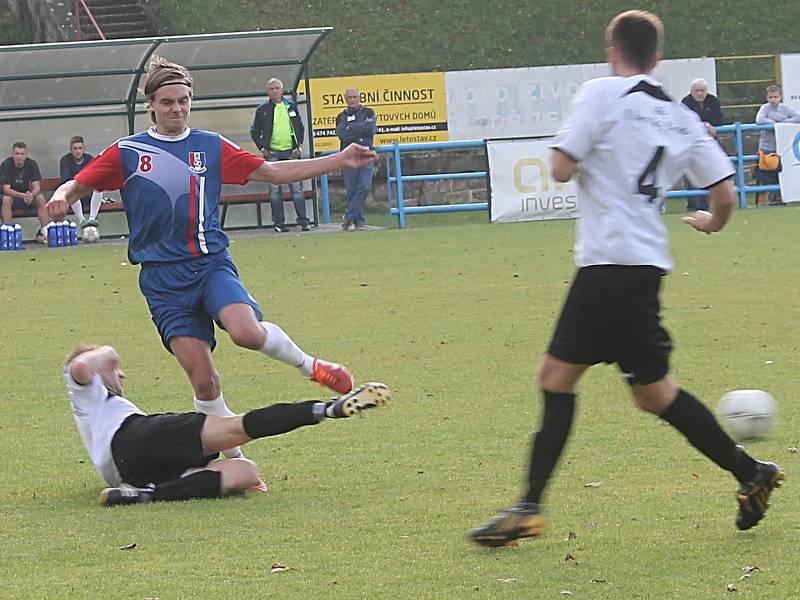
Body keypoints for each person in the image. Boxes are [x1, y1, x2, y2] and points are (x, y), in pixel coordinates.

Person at [469, 10, 784, 548]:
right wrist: (712, 222)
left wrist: (583, 161)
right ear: (657, 59)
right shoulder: (681, 117)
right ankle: (750, 472)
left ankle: (528, 508)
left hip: (607, 267)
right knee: (652, 393)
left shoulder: (601, 94)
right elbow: (725, 194)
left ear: (613, 51)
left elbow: (561, 168)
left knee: (558, 379)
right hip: (643, 269)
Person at [47, 56, 377, 472]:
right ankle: (236, 459)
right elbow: (81, 182)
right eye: (167, 102)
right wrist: (62, 195)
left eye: (184, 101)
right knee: (203, 380)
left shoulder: (210, 145)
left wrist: (338, 159)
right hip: (162, 282)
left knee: (246, 332)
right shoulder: (129, 152)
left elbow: (273, 172)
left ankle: (312, 367)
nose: (177, 109)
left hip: (209, 265)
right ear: (150, 105)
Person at [64, 343, 390, 506]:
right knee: (237, 427)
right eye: (115, 371)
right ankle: (327, 410)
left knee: (244, 472)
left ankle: (145, 496)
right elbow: (80, 365)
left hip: (132, 472)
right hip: (136, 437)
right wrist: (109, 354)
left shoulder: (101, 408)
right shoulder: (87, 392)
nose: (121, 374)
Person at [250, 78, 310, 232]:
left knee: (297, 188)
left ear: (282, 90)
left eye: (277, 88)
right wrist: (263, 147)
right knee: (275, 190)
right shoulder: (262, 109)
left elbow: (300, 127)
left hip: (291, 152)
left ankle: (303, 221)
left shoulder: (290, 106)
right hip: (273, 154)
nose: (274, 91)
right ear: (267, 92)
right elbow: (255, 131)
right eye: (271, 89)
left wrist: (299, 146)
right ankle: (279, 223)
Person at [681, 78, 727, 210]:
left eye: (702, 90)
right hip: (691, 144)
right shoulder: (686, 102)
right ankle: (693, 205)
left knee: (712, 173)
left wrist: (709, 124)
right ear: (691, 91)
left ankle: (708, 205)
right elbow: (685, 122)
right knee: (691, 174)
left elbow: (719, 119)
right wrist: (704, 125)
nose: (699, 93)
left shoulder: (713, 101)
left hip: (710, 143)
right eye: (696, 91)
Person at [336, 87, 378, 231]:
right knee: (351, 190)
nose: (352, 100)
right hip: (349, 156)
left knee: (364, 187)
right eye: (350, 97)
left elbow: (370, 129)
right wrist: (359, 129)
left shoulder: (369, 112)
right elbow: (342, 134)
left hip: (366, 154)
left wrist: (351, 128)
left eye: (355, 97)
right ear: (345, 99)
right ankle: (359, 221)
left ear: (360, 97)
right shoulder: (340, 116)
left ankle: (348, 217)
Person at [754, 84, 800, 206]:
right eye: (770, 97)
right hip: (767, 147)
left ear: (780, 97)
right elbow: (759, 119)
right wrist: (774, 123)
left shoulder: (785, 108)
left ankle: (778, 199)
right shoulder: (765, 108)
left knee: (781, 173)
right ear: (767, 98)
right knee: (765, 175)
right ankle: (764, 202)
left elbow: (798, 117)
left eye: (775, 97)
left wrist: (784, 123)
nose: (773, 99)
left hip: (782, 147)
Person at [0, 141, 49, 242]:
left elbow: (37, 187)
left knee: (39, 197)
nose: (19, 157)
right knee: (6, 199)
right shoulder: (6, 164)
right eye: (17, 154)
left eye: (22, 154)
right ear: (12, 154)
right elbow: (6, 189)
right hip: (12, 198)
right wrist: (23, 195)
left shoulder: (32, 164)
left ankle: (45, 230)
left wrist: (31, 195)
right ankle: (7, 232)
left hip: (26, 198)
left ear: (26, 155)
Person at [59, 135, 104, 229]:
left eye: (80, 148)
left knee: (99, 188)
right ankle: (82, 220)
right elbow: (66, 179)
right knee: (71, 188)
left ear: (84, 149)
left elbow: (94, 177)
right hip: (74, 195)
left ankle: (92, 219)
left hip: (87, 193)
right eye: (75, 148)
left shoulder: (89, 159)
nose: (78, 151)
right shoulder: (65, 160)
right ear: (71, 150)